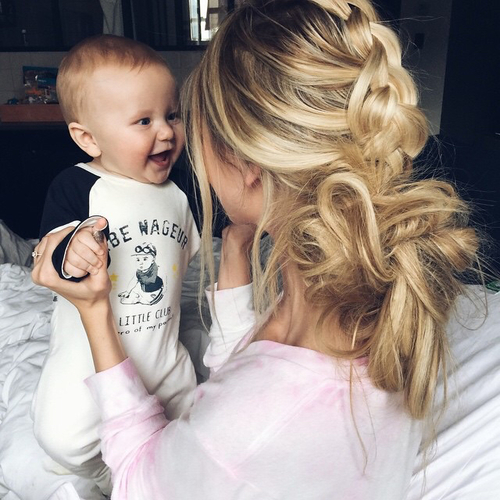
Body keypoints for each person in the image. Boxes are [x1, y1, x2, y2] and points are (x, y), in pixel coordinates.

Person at [32, 0, 480, 498]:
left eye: (183, 123)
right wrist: (234, 253)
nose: (172, 139)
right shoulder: (336, 307)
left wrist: (95, 312)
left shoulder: (262, 414)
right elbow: (248, 378)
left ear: (245, 165)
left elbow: (142, 480)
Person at [31, 35, 201, 496]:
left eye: (172, 114)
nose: (165, 132)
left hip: (164, 358)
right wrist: (74, 249)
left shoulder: (180, 193)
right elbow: (50, 257)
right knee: (63, 437)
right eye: (143, 120)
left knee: (192, 433)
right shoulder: (80, 187)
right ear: (88, 138)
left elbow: (186, 258)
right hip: (90, 362)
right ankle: (110, 480)